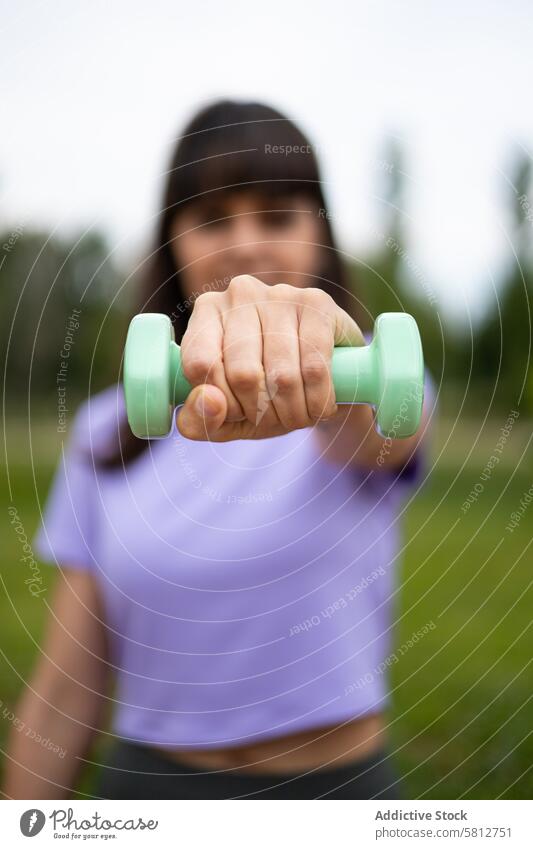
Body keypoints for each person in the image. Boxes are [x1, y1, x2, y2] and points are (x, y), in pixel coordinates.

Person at [4, 99, 435, 800]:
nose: (243, 244)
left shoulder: (379, 382)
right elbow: (65, 684)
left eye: (275, 215)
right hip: (147, 786)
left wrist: (337, 352)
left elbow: (382, 435)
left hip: (335, 790)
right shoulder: (103, 431)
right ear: (170, 240)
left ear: (318, 237)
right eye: (210, 218)